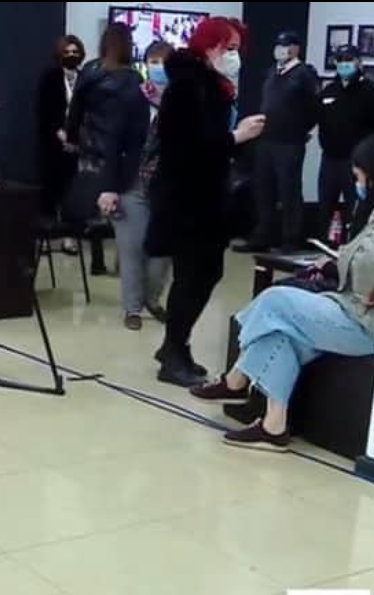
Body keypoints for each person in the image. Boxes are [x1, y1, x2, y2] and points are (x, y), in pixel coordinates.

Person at [190, 133, 374, 452]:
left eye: (359, 175)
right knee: (280, 330)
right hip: (351, 307)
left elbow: (368, 270)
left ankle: (236, 381)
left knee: (273, 302)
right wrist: (341, 260)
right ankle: (274, 426)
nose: (356, 182)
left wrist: (338, 264)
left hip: (364, 323)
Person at [146, 17, 267, 387]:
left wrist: (236, 140)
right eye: (228, 48)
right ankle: (174, 350)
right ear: (210, 46)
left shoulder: (212, 86)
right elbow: (185, 148)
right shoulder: (188, 87)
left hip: (205, 200)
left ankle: (175, 346)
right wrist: (235, 137)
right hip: (187, 201)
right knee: (192, 276)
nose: (234, 57)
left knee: (205, 273)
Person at [64, 23, 150, 276]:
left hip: (91, 148)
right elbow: (139, 124)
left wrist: (72, 137)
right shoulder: (134, 79)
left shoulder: (89, 71)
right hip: (123, 153)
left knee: (96, 204)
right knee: (123, 207)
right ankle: (123, 260)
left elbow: (75, 111)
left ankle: (97, 260)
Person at [110, 41, 174, 331]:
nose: (158, 68)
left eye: (163, 63)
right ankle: (132, 307)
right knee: (132, 248)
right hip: (131, 182)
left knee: (162, 251)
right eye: (153, 62)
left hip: (167, 184)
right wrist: (108, 187)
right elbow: (112, 142)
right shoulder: (131, 97)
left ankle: (152, 298)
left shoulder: (183, 101)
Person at [235, 31, 319, 253]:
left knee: (289, 190)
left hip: (289, 142)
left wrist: (300, 130)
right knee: (264, 190)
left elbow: (314, 108)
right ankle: (262, 236)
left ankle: (290, 239)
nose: (281, 49)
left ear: (296, 48)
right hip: (266, 139)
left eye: (286, 45)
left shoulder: (305, 74)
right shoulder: (272, 71)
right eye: (279, 45)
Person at [316, 44, 374, 243]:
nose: (344, 64)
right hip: (329, 160)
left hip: (356, 164)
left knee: (357, 207)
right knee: (325, 206)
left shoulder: (370, 91)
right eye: (340, 60)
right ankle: (325, 246)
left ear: (358, 62)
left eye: (349, 60)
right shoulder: (329, 90)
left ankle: (354, 247)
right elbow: (318, 118)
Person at [37, 35, 85, 222]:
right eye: (67, 52)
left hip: (79, 142)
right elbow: (43, 110)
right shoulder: (50, 77)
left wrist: (77, 139)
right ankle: (50, 223)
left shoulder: (85, 78)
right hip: (53, 141)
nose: (71, 55)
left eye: (75, 52)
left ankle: (71, 225)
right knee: (52, 184)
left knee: (73, 186)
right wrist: (60, 134)